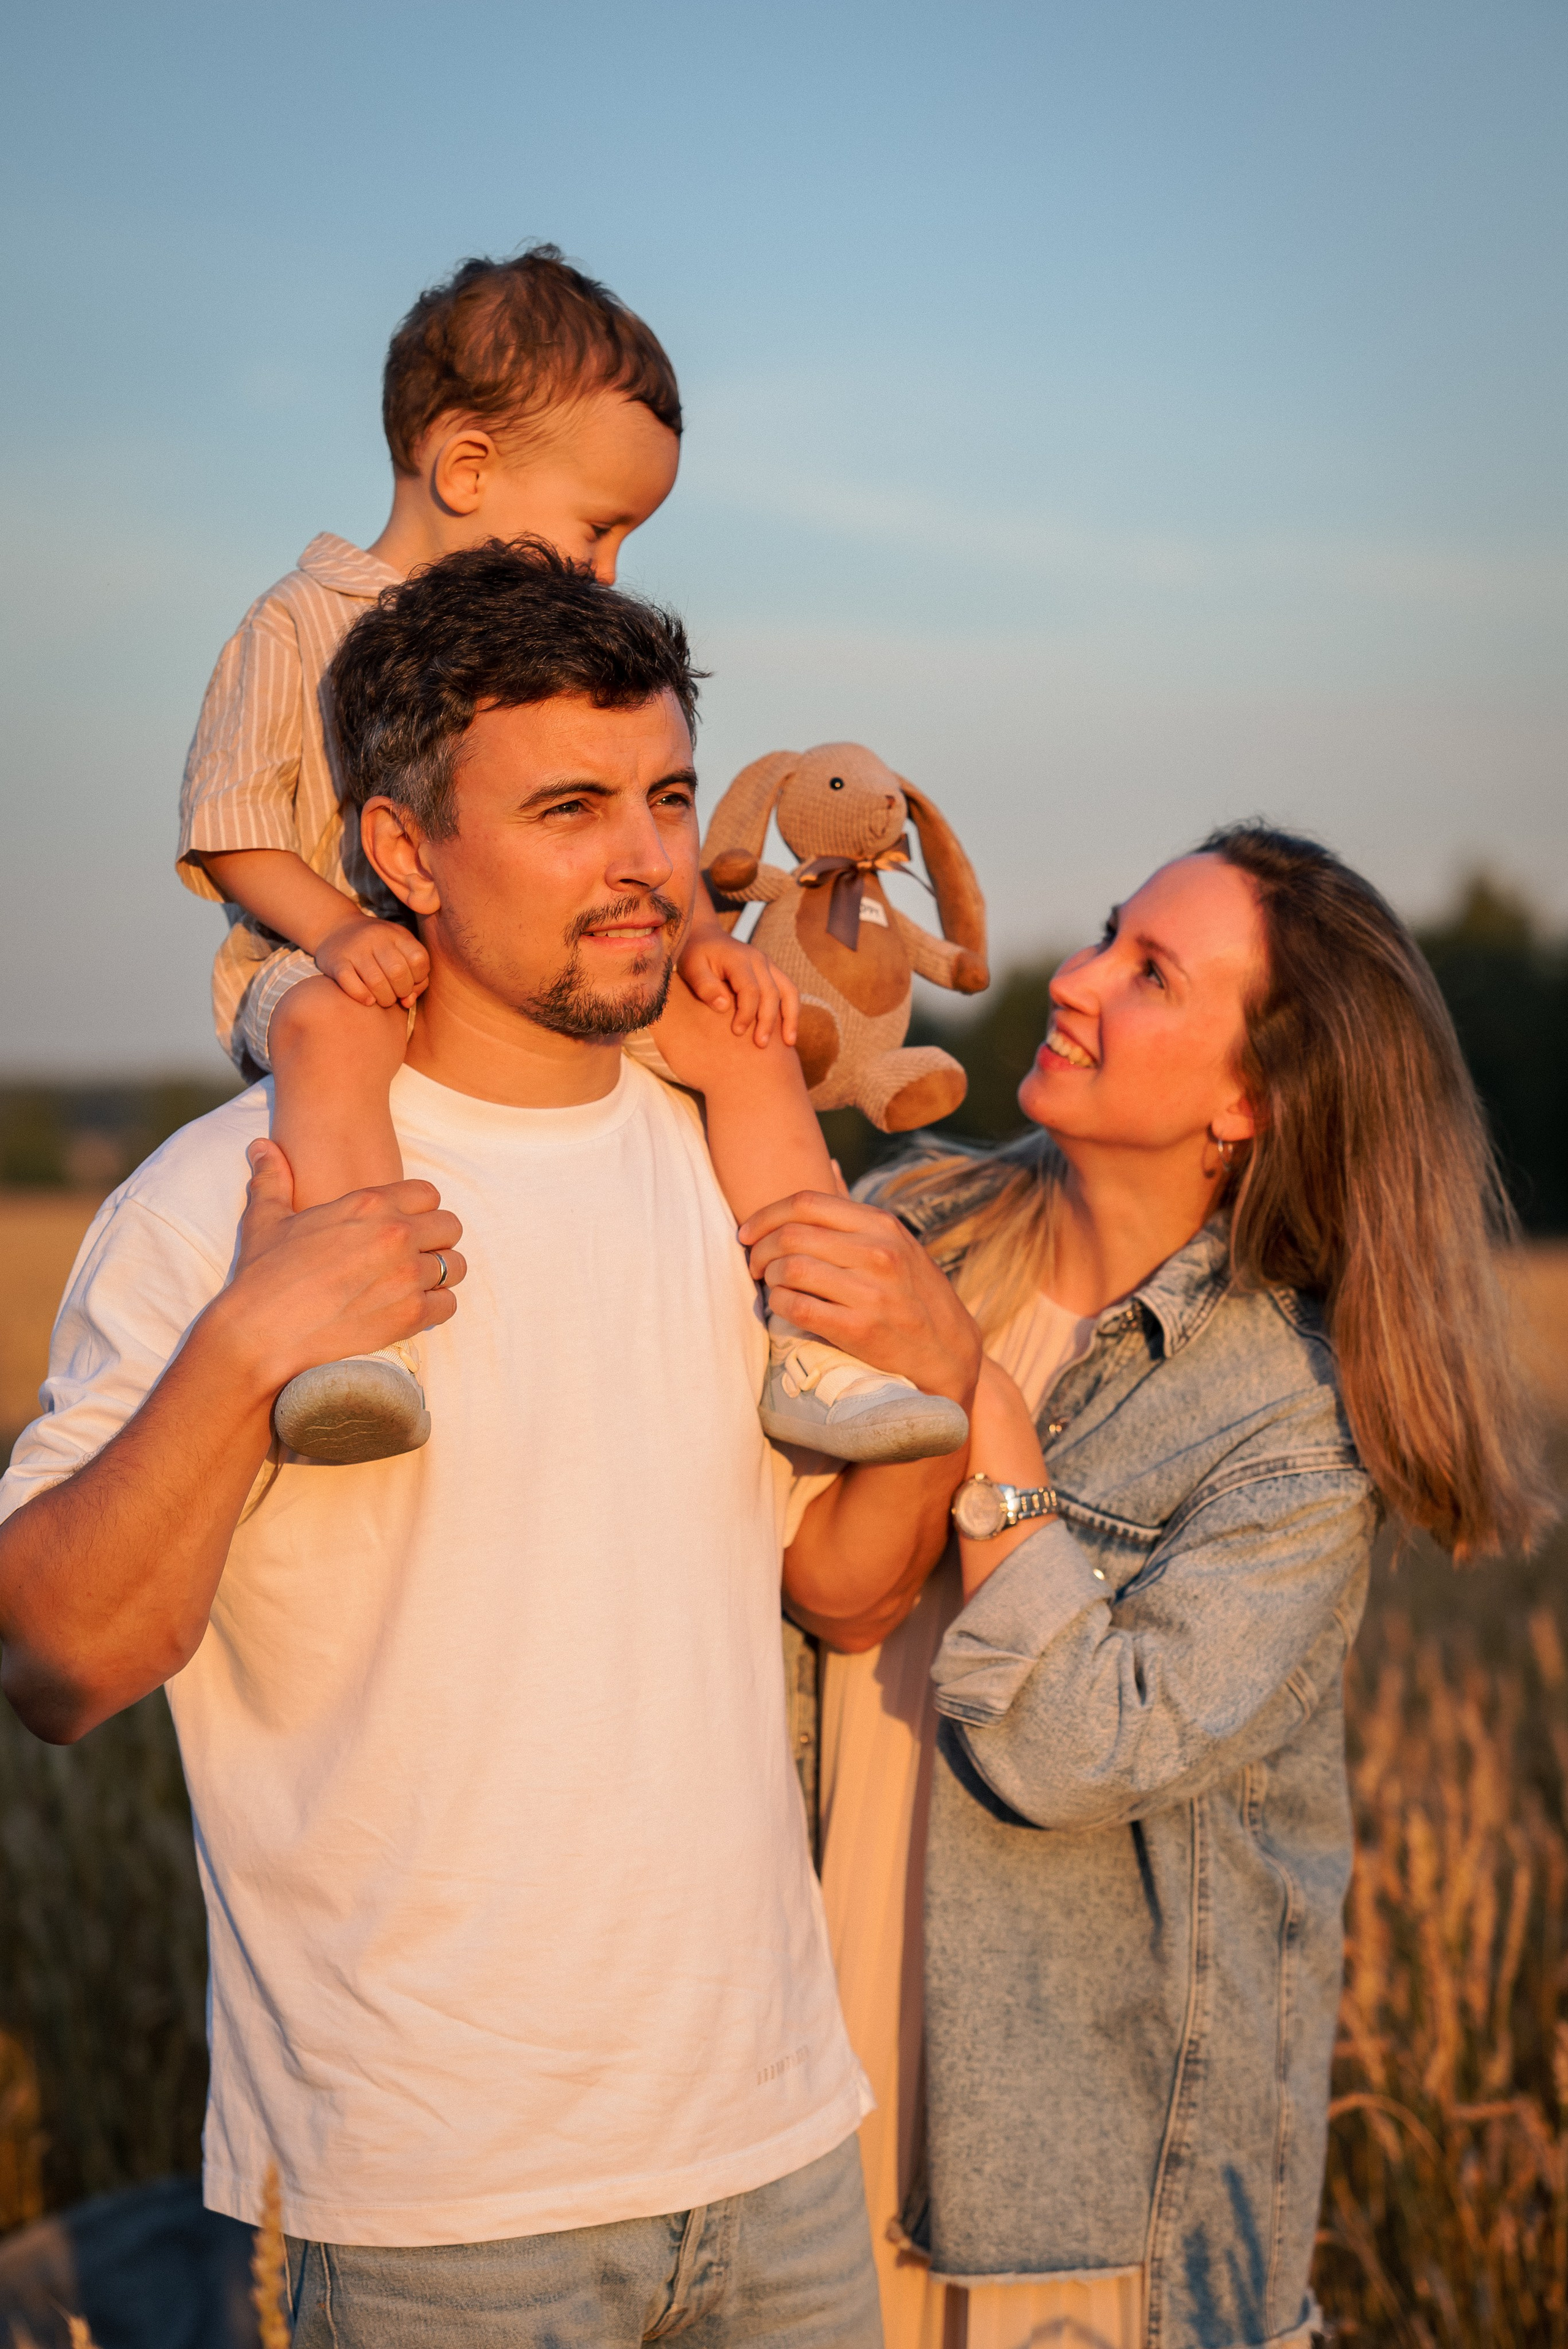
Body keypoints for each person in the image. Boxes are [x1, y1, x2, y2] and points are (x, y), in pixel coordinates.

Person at [0, 545, 982, 2347]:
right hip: (434, 2211)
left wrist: (937, 1387)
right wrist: (250, 1345)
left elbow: (843, 1597)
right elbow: (59, 1662)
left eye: (669, 796)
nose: (648, 861)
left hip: (776, 2156)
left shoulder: (729, 1160)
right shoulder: (221, 1201)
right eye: (568, 808)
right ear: (401, 850)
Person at [766, 829, 1551, 2349]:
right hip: (799, 2076)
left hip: (1075, 2178)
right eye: (1106, 934)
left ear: (1247, 1099)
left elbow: (1085, 1748)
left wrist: (981, 1407)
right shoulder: (916, 1223)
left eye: (1147, 973)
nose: (1071, 978)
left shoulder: (1291, 1426)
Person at [178, 244, 959, 1470]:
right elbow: (229, 822)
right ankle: (360, 1338)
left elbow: (635, 841)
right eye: (600, 526)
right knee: (335, 1031)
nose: (608, 565)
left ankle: (819, 1340)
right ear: (466, 468)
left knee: (742, 1039)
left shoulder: (562, 658)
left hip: (535, 968)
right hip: (328, 962)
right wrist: (340, 931)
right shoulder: (299, 624)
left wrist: (704, 944)